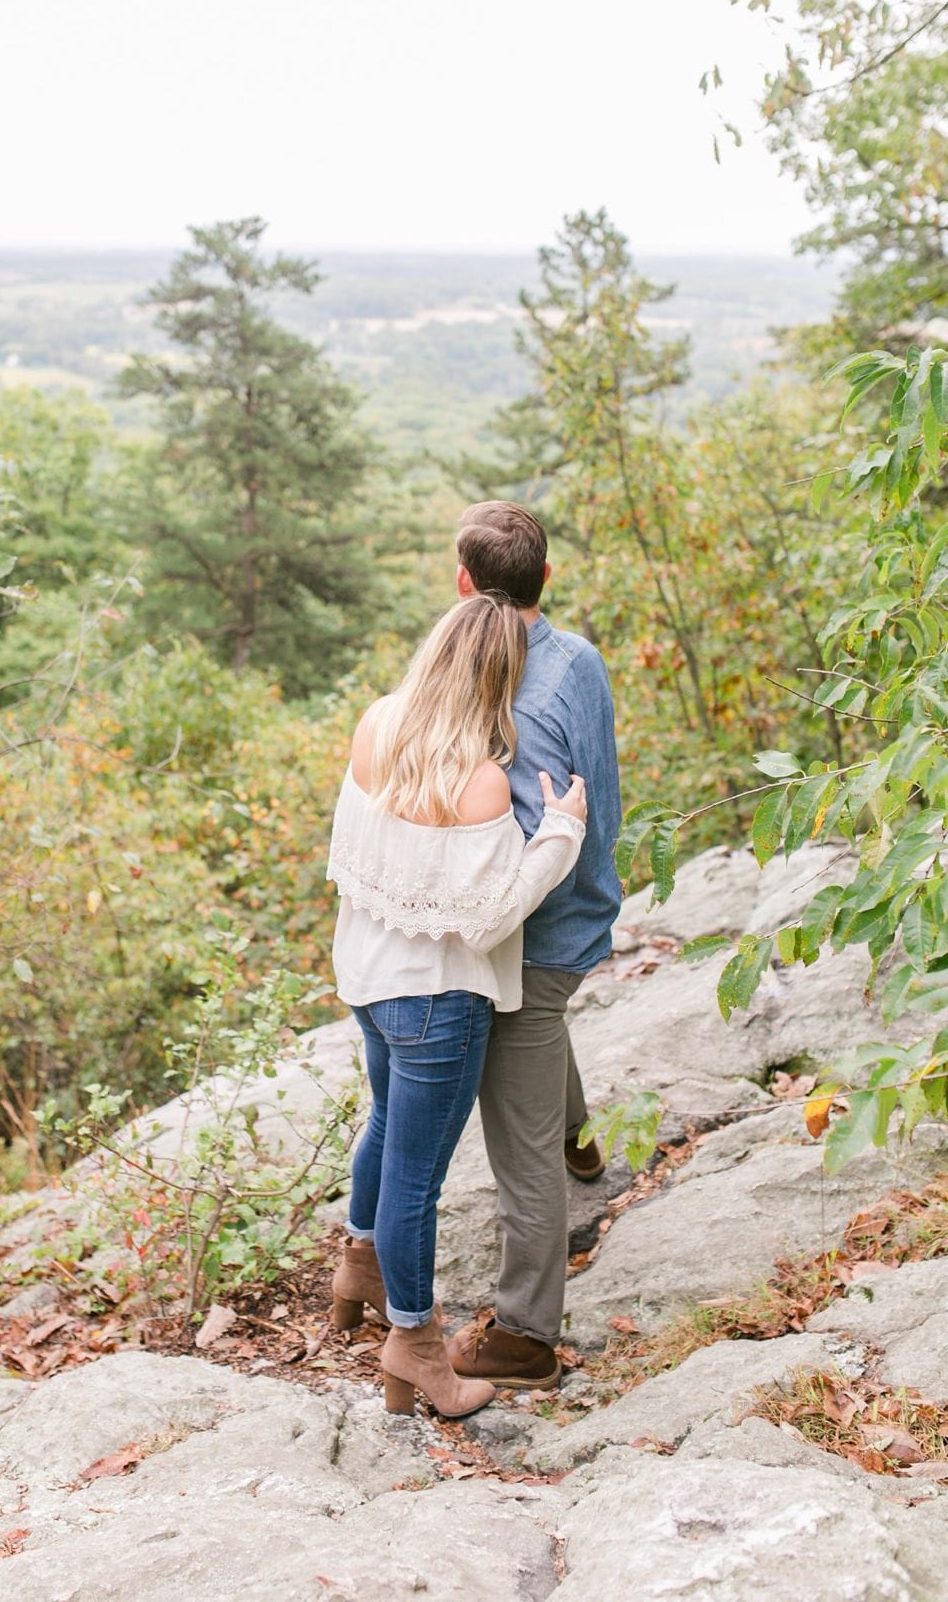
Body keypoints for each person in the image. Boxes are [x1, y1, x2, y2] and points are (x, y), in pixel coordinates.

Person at [325, 593, 588, 1418]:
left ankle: (357, 1267)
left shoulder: (377, 727)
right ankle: (417, 1347)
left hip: (368, 978)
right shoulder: (476, 781)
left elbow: (354, 848)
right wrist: (559, 835)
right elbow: (486, 917)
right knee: (415, 1181)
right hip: (437, 1001)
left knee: (382, 1125)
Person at [445, 500, 623, 1391]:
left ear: (464, 586)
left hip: (530, 931)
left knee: (516, 1140)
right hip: (586, 904)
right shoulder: (577, 658)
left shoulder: (485, 679)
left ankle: (526, 1333)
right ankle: (581, 1140)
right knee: (543, 1036)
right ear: (546, 580)